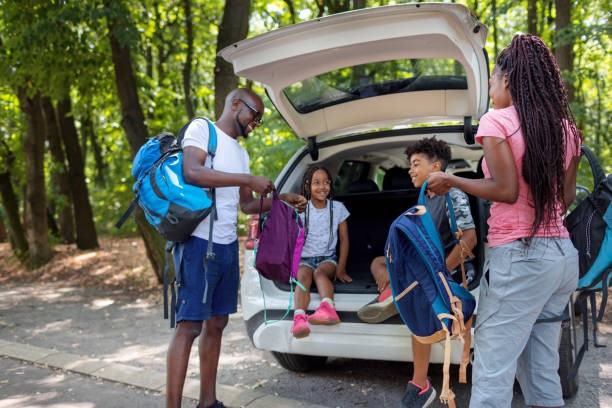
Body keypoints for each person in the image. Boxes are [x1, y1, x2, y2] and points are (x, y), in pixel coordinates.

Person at [427, 34, 582, 408]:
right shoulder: (566, 130)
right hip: (561, 258)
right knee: (541, 367)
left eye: (493, 81)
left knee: (493, 369)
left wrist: (451, 180)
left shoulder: (497, 121)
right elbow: (567, 198)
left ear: (508, 79)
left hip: (521, 259)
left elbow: (507, 190)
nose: (491, 90)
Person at [166, 88, 307, 408]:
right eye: (253, 115)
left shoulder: (241, 154)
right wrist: (246, 177)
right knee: (189, 326)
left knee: (217, 324)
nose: (255, 122)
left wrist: (280, 201)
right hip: (200, 242)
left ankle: (207, 402)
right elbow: (193, 172)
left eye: (259, 118)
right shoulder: (203, 129)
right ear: (234, 105)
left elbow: (245, 205)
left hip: (227, 246)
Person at [356, 137, 477, 408]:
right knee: (379, 261)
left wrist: (440, 272)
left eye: (415, 164)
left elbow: (469, 239)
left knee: (418, 296)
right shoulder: (423, 196)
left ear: (436, 166)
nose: (410, 170)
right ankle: (392, 293)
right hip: (424, 269)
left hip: (448, 271)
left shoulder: (453, 193)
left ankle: (419, 384)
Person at [291, 166, 352, 339]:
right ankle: (299, 318)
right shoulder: (301, 210)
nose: (322, 187)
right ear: (307, 186)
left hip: (328, 259)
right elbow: (293, 241)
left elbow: (344, 240)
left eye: (326, 182)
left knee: (319, 273)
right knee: (302, 278)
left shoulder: (338, 208)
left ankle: (327, 308)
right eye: (316, 183)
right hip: (305, 259)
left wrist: (340, 269)